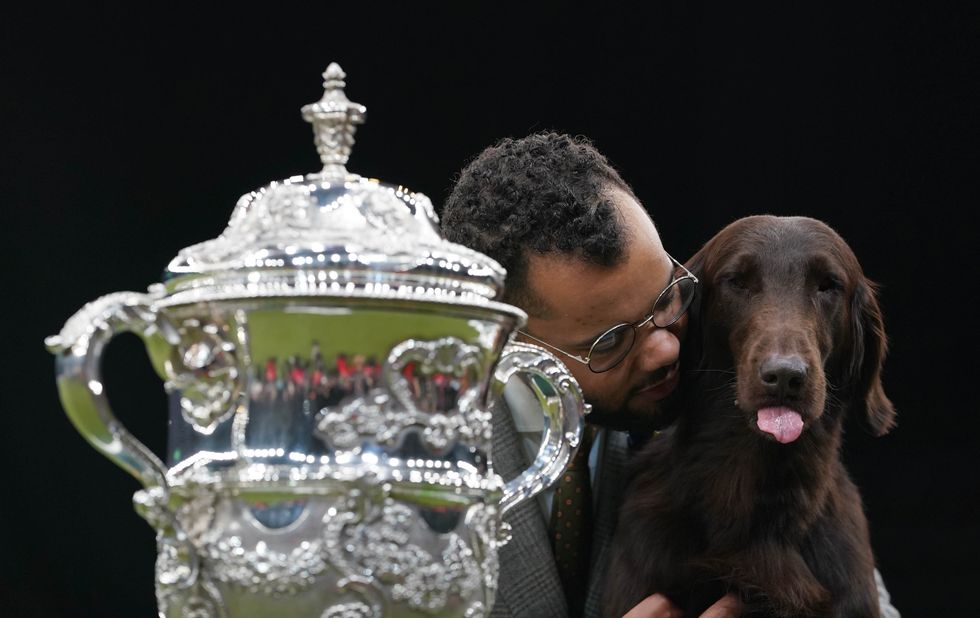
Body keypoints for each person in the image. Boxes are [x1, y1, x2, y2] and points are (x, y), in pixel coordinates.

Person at [440, 132, 899, 618]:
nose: (665, 348)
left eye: (666, 298)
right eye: (611, 341)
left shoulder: (709, 411)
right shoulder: (414, 465)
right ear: (501, 339)